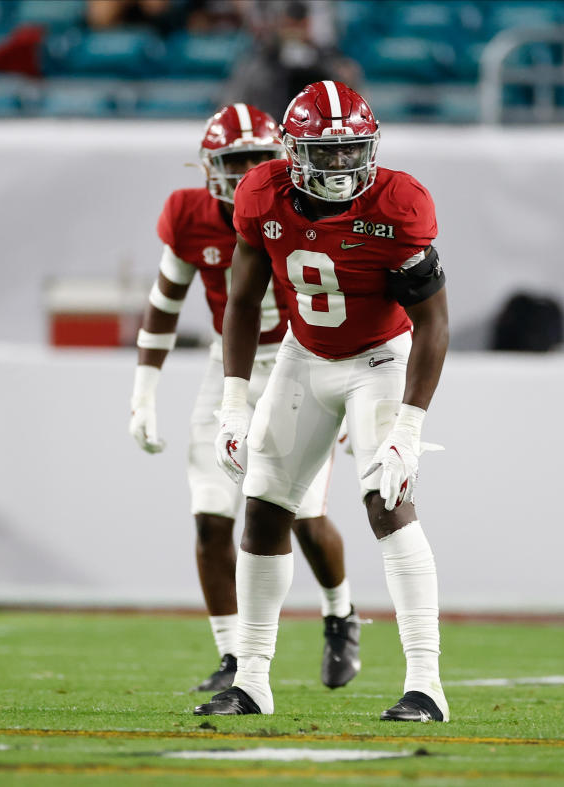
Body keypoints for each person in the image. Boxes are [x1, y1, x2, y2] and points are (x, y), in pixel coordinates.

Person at [194, 81, 450, 722]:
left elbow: (435, 324)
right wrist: (233, 402)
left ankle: (426, 686)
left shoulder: (400, 202)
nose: (339, 166)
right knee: (262, 509)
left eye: (350, 151)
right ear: (291, 151)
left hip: (379, 360)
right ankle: (251, 681)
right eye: (324, 153)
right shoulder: (261, 194)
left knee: (388, 504)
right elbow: (244, 301)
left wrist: (409, 428)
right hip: (303, 359)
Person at [129, 103, 360, 692]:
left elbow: (351, 298)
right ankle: (233, 657)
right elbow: (164, 303)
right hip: (227, 366)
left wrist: (353, 392)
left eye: (260, 157)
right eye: (237, 161)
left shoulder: (298, 205)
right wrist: (144, 392)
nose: (250, 171)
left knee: (303, 517)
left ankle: (340, 614)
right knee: (210, 515)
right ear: (209, 168)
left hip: (301, 365)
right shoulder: (189, 214)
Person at [222, 1, 360, 121]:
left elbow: (354, 104)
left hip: (315, 136)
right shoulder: (255, 65)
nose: (294, 32)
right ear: (279, 25)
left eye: (299, 26)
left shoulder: (331, 62)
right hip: (271, 135)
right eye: (289, 25)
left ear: (307, 25)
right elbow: (231, 107)